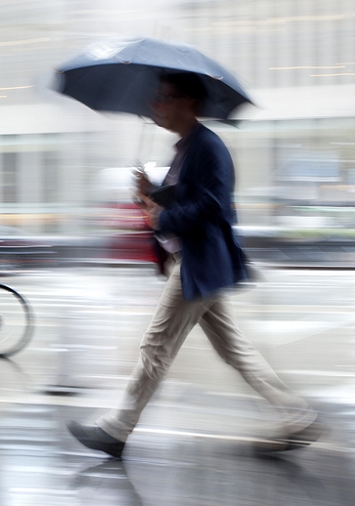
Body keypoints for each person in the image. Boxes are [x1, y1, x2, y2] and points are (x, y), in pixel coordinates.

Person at [67, 72, 321, 459]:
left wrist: (161, 218)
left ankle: (117, 430)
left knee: (156, 345)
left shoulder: (208, 146)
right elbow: (184, 199)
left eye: (165, 97)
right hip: (197, 263)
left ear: (191, 104)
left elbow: (214, 207)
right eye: (157, 97)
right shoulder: (187, 148)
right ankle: (297, 417)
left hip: (197, 262)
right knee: (233, 349)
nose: (157, 104)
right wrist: (149, 194)